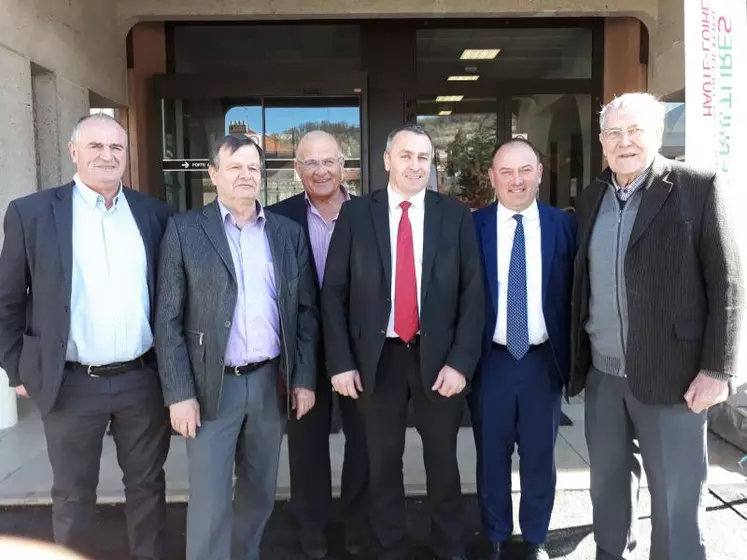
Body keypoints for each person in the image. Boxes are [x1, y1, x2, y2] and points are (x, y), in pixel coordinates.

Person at [570, 92, 744, 560]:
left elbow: (728, 282)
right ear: (602, 141)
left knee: (675, 496)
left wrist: (718, 370)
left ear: (658, 133)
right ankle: (611, 552)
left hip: (676, 376)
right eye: (613, 132)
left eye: (635, 130)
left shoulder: (697, 186)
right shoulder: (591, 198)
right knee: (606, 485)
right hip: (603, 376)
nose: (624, 141)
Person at [0, 113, 172, 560]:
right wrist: (17, 366)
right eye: (95, 146)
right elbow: (6, 299)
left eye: (116, 147)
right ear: (74, 152)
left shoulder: (153, 213)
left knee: (148, 489)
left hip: (141, 379)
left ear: (127, 157)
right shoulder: (32, 213)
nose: (106, 155)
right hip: (71, 383)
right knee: (74, 497)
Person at [322, 124, 484, 560]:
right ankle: (389, 546)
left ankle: (450, 546)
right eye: (406, 156)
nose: (415, 165)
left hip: (439, 360)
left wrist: (462, 362)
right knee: (382, 461)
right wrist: (340, 361)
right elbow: (332, 294)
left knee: (443, 461)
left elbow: (474, 294)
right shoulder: (357, 215)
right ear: (387, 160)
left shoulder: (454, 215)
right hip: (378, 360)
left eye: (423, 158)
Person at [155, 134, 319, 560]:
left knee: (260, 491)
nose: (246, 176)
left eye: (253, 168)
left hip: (270, 382)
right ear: (213, 175)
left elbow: (304, 314)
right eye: (235, 167)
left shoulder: (286, 233)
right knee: (209, 500)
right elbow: (168, 320)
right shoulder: (185, 230)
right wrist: (179, 394)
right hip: (212, 386)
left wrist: (302, 380)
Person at [470, 138, 576, 560]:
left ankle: (534, 537)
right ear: (492, 177)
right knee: (491, 456)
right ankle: (494, 535)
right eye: (507, 172)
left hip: (541, 362)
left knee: (539, 458)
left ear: (539, 174)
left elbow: (575, 293)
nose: (516, 180)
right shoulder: (472, 226)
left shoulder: (563, 226)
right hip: (490, 362)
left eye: (525, 170)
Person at [268, 131, 368, 559]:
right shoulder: (277, 217)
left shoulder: (368, 213)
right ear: (297, 169)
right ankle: (311, 532)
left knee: (364, 442)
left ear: (344, 165)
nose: (321, 171)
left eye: (329, 162)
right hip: (302, 350)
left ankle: (358, 531)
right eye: (310, 163)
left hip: (359, 350)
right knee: (306, 445)